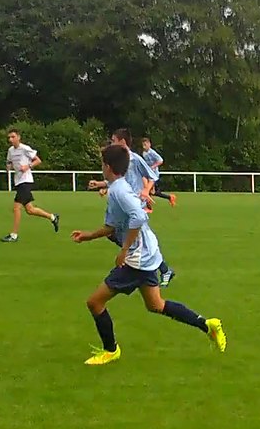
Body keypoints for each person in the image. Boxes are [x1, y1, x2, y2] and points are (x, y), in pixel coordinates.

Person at [72, 144, 225, 366]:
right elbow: (114, 225)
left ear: (107, 167)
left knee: (94, 303)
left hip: (137, 258)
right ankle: (207, 325)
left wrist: (124, 250)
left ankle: (110, 350)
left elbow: (139, 218)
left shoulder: (118, 191)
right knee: (156, 305)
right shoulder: (120, 187)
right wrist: (88, 236)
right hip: (149, 253)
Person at [88, 129, 175, 287]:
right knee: (119, 234)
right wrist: (101, 184)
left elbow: (153, 176)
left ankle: (161, 269)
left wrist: (146, 190)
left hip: (134, 206)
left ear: (122, 142)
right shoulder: (119, 161)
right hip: (126, 204)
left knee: (135, 238)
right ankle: (156, 267)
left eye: (113, 140)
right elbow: (120, 180)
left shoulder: (135, 159)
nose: (111, 143)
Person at [1, 129, 60, 242]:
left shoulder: (25, 148)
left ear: (18, 137)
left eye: (13, 137)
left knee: (16, 207)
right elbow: (9, 162)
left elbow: (38, 160)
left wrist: (28, 166)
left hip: (26, 181)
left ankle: (14, 235)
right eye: (9, 137)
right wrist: (8, 167)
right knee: (30, 210)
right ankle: (52, 217)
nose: (10, 139)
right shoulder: (10, 150)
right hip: (18, 181)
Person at [141, 137, 177, 207]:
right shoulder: (144, 153)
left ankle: (149, 206)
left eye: (145, 145)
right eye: (143, 145)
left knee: (151, 191)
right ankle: (169, 197)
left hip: (154, 175)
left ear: (149, 144)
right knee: (150, 191)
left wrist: (152, 167)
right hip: (148, 174)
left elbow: (160, 161)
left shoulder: (152, 153)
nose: (144, 147)